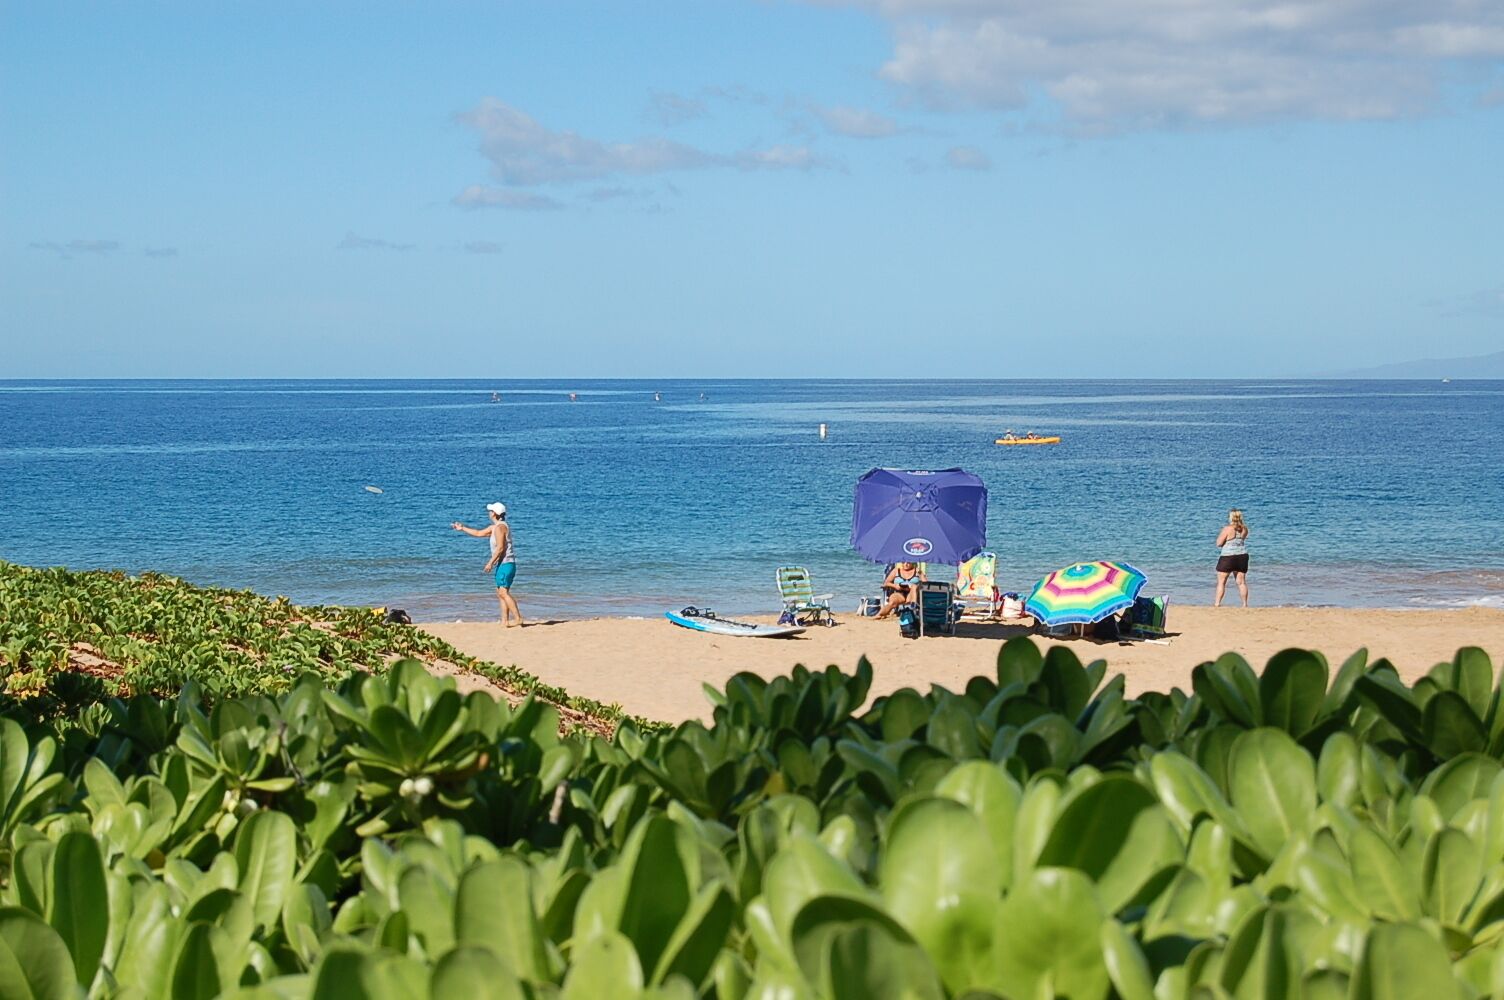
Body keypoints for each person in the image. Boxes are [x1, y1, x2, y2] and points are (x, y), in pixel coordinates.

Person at [452, 502, 525, 626]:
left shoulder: (501, 527)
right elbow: (478, 533)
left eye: (491, 511)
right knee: (500, 592)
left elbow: (501, 548)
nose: (489, 513)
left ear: (495, 514)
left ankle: (518, 618)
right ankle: (504, 621)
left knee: (503, 592)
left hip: (506, 564)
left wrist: (490, 563)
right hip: (503, 564)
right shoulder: (494, 527)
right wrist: (462, 528)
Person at [1214, 508, 1250, 607]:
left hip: (1228, 556)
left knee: (1221, 582)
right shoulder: (1245, 529)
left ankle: (1217, 603)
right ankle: (1244, 604)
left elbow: (1219, 543)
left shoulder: (1227, 529)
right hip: (1242, 556)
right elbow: (1241, 539)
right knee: (1241, 582)